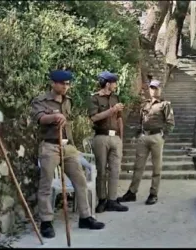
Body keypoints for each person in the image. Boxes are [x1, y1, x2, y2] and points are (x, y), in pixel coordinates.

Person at [31, 70, 105, 239]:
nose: (65, 87)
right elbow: (40, 118)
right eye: (62, 83)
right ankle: (46, 222)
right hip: (50, 146)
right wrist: (54, 116)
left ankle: (85, 217)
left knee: (80, 181)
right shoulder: (41, 100)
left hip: (68, 147)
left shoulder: (68, 101)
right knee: (46, 185)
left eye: (67, 84)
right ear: (53, 84)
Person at [118, 79, 175, 205]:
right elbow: (141, 121)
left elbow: (170, 122)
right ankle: (132, 192)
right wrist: (137, 134)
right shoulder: (145, 104)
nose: (153, 90)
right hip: (144, 137)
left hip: (156, 137)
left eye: (156, 88)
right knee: (138, 166)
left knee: (157, 167)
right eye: (152, 88)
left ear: (160, 89)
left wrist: (163, 136)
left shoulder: (165, 104)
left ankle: (153, 194)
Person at [88, 71, 128, 213]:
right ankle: (102, 200)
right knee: (101, 170)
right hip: (101, 137)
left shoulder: (116, 97)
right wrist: (111, 110)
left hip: (115, 138)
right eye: (114, 83)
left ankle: (112, 200)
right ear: (108, 84)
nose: (116, 85)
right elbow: (94, 117)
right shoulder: (94, 98)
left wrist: (121, 139)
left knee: (115, 170)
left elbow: (119, 119)